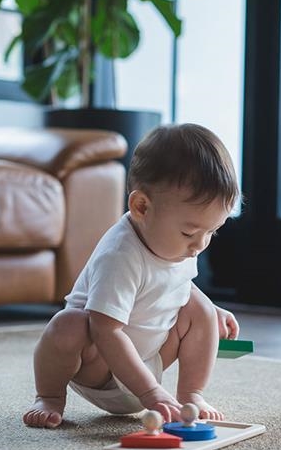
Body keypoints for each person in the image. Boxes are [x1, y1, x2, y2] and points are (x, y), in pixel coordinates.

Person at [23, 123, 241, 428]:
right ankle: (48, 396)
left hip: (149, 360)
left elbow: (177, 285)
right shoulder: (120, 255)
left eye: (212, 232)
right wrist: (151, 393)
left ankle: (192, 394)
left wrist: (211, 313)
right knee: (67, 325)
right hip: (101, 368)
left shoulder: (178, 246)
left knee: (199, 307)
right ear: (141, 207)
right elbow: (105, 331)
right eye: (190, 231)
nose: (200, 244)